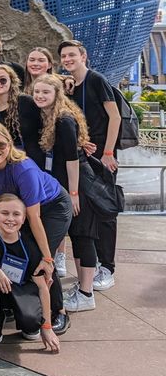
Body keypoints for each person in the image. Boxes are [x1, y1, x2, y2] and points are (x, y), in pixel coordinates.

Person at [0, 122, 71, 334]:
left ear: (9, 145)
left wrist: (48, 257)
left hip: (51, 208)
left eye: (0, 145)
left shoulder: (24, 169)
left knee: (42, 256)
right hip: (19, 210)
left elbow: (34, 216)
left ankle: (58, 311)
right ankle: (21, 303)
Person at [59, 39, 121, 291]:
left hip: (102, 157)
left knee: (105, 211)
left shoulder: (96, 80)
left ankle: (107, 267)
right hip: (84, 156)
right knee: (88, 212)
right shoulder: (70, 86)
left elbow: (114, 116)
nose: (67, 59)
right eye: (64, 56)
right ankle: (93, 266)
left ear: (83, 56)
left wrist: (108, 152)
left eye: (72, 55)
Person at [33, 74, 98, 311]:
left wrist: (73, 193)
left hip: (77, 185)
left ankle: (86, 293)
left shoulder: (64, 119)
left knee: (82, 236)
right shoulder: (49, 117)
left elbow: (72, 160)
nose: (40, 96)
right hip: (63, 185)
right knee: (76, 234)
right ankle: (82, 289)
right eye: (37, 92)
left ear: (56, 95)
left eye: (45, 93)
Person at [0, 194, 60, 352]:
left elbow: (43, 287)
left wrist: (47, 326)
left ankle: (26, 319)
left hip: (22, 288)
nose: (10, 219)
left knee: (31, 323)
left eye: (16, 214)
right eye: (4, 213)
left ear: (23, 219)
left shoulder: (30, 244)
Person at [0, 64, 44, 165]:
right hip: (2, 162)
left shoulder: (26, 102)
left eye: (3, 80)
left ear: (11, 82)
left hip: (30, 161)